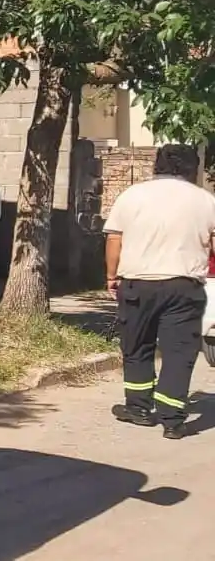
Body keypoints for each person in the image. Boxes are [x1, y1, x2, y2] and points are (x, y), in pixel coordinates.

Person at [103, 143, 215, 439]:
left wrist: (111, 276)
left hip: (138, 284)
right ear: (193, 169)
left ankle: (138, 408)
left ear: (157, 165)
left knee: (137, 346)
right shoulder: (206, 201)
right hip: (184, 287)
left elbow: (115, 239)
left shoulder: (132, 196)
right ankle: (173, 420)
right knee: (179, 352)